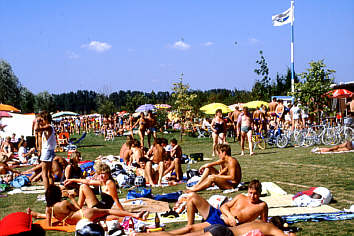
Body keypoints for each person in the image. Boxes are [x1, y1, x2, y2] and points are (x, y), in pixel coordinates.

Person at [168, 180, 268, 235]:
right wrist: (230, 217)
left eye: (255, 194)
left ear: (259, 193)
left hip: (221, 223)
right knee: (192, 197)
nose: (252, 196)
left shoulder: (262, 206)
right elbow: (224, 206)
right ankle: (189, 224)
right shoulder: (241, 196)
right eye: (250, 193)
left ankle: (168, 233)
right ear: (248, 191)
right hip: (218, 213)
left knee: (190, 230)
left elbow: (264, 224)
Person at [28, 185, 146, 226]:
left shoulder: (49, 209)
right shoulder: (64, 203)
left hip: (78, 221)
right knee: (108, 211)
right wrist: (72, 198)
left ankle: (132, 219)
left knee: (104, 218)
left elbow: (49, 224)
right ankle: (134, 215)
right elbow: (79, 208)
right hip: (84, 214)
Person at [36, 111, 56, 190]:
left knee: (44, 174)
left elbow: (37, 129)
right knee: (48, 173)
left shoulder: (48, 126)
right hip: (50, 150)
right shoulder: (50, 127)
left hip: (47, 151)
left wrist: (37, 121)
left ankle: (47, 192)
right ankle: (52, 191)